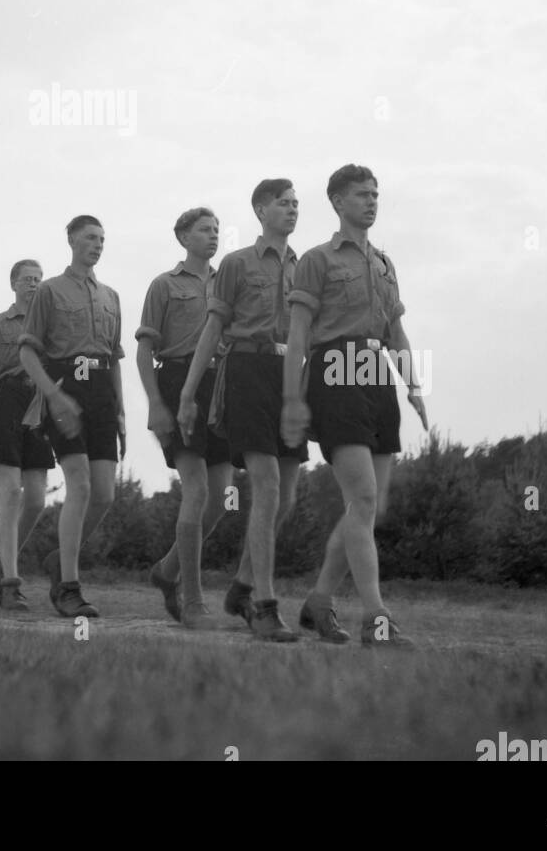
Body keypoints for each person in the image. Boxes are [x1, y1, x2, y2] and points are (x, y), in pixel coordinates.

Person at [283, 164, 428, 648]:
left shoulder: (385, 264)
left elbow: (397, 333)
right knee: (363, 498)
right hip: (333, 370)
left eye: (376, 194)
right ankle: (377, 620)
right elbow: (298, 334)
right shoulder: (316, 259)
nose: (372, 201)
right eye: (362, 195)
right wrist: (292, 399)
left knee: (369, 505)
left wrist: (413, 387)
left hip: (376, 374)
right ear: (338, 202)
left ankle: (319, 602)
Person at [178, 179, 307, 642]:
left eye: (296, 204)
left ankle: (242, 584)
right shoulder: (235, 264)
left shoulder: (305, 267)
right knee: (267, 484)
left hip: (290, 372)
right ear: (260, 210)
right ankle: (265, 605)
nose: (292, 210)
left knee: (288, 495)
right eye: (283, 203)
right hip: (246, 369)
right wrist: (189, 393)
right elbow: (212, 331)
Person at [19, 215, 126, 620]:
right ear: (71, 241)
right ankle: (69, 587)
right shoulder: (49, 291)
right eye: (89, 238)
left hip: (101, 394)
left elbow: (114, 359)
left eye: (102, 239)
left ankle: (57, 561)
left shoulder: (111, 296)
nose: (97, 245)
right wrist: (54, 395)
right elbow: (28, 351)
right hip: (64, 386)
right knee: (78, 484)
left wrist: (120, 412)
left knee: (104, 494)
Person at [138, 208, 231, 630]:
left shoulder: (227, 281)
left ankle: (167, 569)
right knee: (195, 491)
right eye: (204, 230)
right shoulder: (164, 284)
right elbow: (144, 350)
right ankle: (194, 601)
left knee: (221, 499)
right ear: (183, 237)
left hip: (222, 385)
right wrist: (157, 405)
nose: (213, 236)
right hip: (177, 381)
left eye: (216, 230)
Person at [0, 259, 54, 610]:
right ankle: (11, 583)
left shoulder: (51, 324)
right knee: (11, 492)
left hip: (39, 402)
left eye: (38, 279)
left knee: (36, 498)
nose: (33, 284)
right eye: (27, 279)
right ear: (13, 283)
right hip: (4, 401)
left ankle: (2, 563)